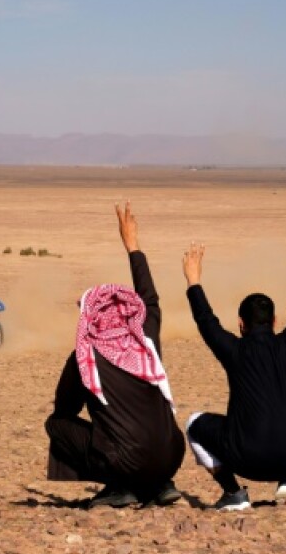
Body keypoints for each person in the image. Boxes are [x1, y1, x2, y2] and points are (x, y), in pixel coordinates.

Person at [44, 203, 186, 508]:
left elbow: (66, 408)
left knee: (57, 424)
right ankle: (160, 484)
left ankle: (118, 486)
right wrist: (133, 246)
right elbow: (150, 299)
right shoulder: (145, 340)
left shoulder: (86, 357)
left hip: (126, 460)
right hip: (172, 456)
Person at [183, 224, 286, 511]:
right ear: (275, 321)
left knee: (193, 424)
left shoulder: (234, 350)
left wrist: (193, 280)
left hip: (249, 459)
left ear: (241, 324)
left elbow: (206, 321)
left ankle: (234, 493)